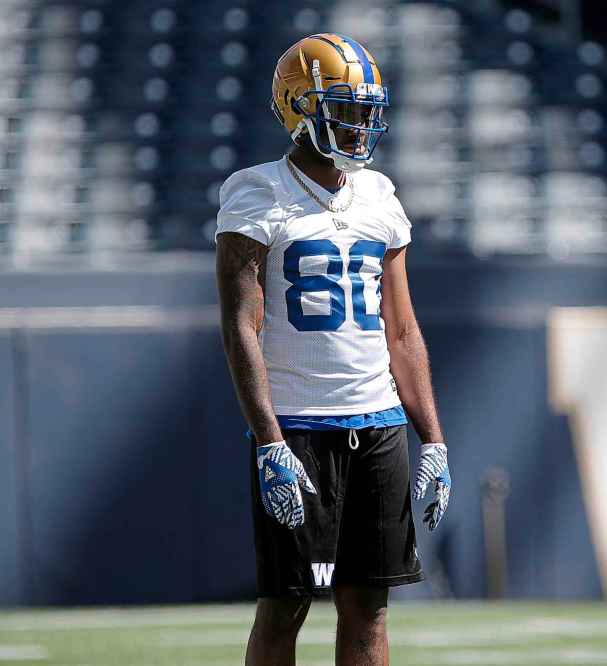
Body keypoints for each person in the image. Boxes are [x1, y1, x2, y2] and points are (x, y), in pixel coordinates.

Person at [214, 33, 451, 666]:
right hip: (297, 429)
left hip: (376, 424)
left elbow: (401, 330)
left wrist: (433, 439)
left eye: (365, 111)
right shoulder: (257, 191)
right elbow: (242, 325)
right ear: (298, 106)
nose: (359, 125)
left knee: (369, 605)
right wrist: (268, 441)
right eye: (344, 109)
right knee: (286, 603)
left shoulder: (378, 194)